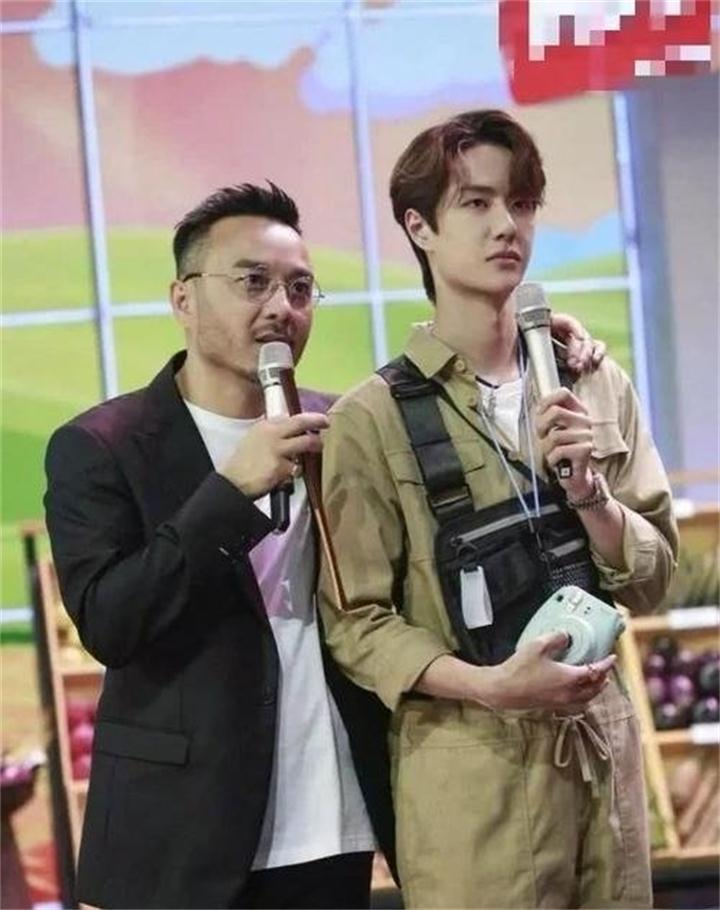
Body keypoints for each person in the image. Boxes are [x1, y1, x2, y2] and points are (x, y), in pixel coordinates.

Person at [44, 179, 602, 910]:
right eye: (253, 282)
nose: (282, 306)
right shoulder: (101, 446)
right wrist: (229, 493)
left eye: (301, 288)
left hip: (334, 818)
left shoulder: (342, 427)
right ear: (184, 299)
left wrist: (533, 346)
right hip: (183, 839)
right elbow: (111, 623)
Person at [318, 110, 678, 909]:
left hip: (603, 761)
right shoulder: (370, 420)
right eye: (476, 203)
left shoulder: (592, 382)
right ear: (419, 227)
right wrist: (492, 688)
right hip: (471, 778)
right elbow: (357, 624)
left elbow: (655, 580)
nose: (506, 225)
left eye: (520, 203)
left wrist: (591, 498)